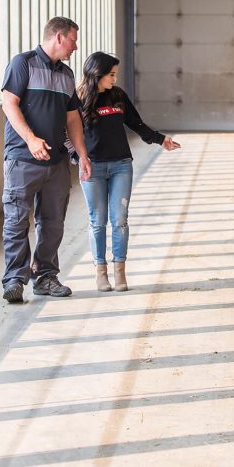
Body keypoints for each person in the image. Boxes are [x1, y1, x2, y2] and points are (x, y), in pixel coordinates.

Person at [0, 17, 91, 303]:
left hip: (57, 163)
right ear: (59, 37)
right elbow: (8, 103)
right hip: (22, 159)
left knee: (53, 222)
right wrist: (30, 139)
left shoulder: (66, 74)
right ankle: (15, 278)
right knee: (16, 220)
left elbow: (72, 118)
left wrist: (82, 154)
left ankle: (46, 276)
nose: (76, 47)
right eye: (73, 40)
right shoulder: (23, 63)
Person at [75, 52, 180, 292]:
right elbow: (68, 133)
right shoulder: (78, 98)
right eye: (111, 75)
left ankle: (119, 271)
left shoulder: (118, 96)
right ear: (97, 74)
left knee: (120, 220)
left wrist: (160, 139)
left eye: (115, 74)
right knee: (97, 221)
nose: (114, 79)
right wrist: (77, 158)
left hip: (122, 164)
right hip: (93, 167)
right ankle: (100, 272)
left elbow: (136, 123)